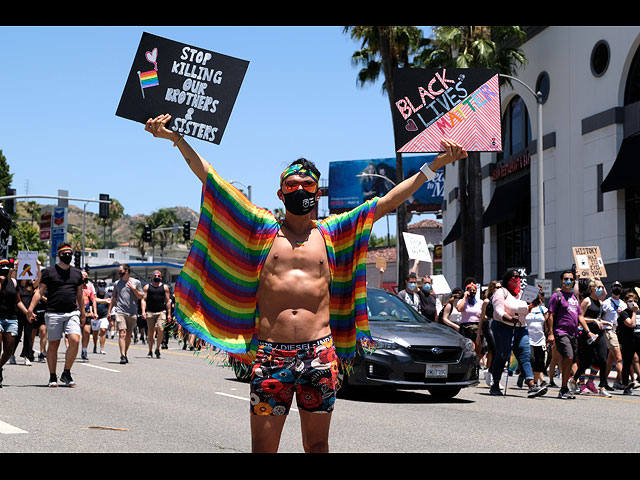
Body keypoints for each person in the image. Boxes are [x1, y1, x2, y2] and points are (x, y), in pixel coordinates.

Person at [144, 113, 467, 453]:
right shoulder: (261, 229)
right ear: (281, 194)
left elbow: (388, 201)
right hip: (271, 354)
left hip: (319, 355)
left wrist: (435, 164)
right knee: (263, 447)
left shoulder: (334, 232)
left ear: (317, 190)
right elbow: (211, 178)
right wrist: (176, 139)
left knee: (317, 445)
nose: (300, 190)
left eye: (307, 185)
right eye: (292, 186)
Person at [27, 243, 85, 388]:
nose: (68, 256)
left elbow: (80, 295)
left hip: (72, 312)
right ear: (58, 255)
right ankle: (52, 375)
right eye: (64, 253)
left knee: (75, 340)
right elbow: (39, 292)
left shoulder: (77, 273)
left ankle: (66, 372)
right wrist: (30, 309)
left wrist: (83, 313)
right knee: (53, 344)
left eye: (70, 253)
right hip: (53, 312)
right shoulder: (49, 272)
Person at [489, 269, 547, 398]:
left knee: (525, 354)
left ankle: (531, 385)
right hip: (503, 326)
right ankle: (495, 384)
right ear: (507, 279)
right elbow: (498, 311)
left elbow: (527, 309)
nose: (517, 279)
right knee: (502, 355)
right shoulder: (501, 292)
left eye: (519, 277)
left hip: (521, 327)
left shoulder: (522, 294)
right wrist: (509, 318)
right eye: (514, 277)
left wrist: (534, 302)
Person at [546, 270, 596, 399]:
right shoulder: (556, 296)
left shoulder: (574, 298)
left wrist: (588, 331)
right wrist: (551, 333)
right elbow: (550, 315)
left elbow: (580, 316)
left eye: (571, 279)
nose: (569, 281)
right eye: (566, 279)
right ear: (562, 281)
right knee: (568, 357)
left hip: (574, 334)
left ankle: (564, 388)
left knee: (572, 359)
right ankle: (563, 388)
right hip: (560, 332)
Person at [572, 278, 611, 397]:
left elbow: (605, 293)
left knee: (603, 359)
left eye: (601, 287)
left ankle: (602, 387)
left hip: (599, 333)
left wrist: (605, 322)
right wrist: (593, 321)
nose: (601, 289)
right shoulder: (587, 301)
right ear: (592, 289)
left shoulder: (600, 302)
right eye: (598, 287)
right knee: (586, 361)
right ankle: (574, 381)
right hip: (587, 333)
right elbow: (580, 317)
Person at [108, 264, 144, 364]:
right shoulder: (116, 283)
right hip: (120, 311)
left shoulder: (136, 282)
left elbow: (141, 296)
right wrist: (109, 311)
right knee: (122, 333)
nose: (119, 274)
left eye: (121, 272)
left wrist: (133, 288)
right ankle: (122, 356)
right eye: (119, 272)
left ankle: (125, 353)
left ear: (127, 271)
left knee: (128, 335)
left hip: (132, 312)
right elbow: (114, 298)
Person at [141, 270, 171, 358]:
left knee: (161, 329)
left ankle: (157, 348)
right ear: (152, 277)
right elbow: (143, 300)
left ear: (161, 278)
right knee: (150, 332)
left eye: (158, 276)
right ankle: (150, 350)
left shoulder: (165, 287)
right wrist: (143, 311)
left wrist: (169, 314)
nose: (157, 277)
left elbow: (168, 301)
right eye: (155, 276)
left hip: (161, 312)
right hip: (150, 312)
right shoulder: (147, 287)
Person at [601, 280, 625, 389]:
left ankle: (603, 382)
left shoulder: (623, 304)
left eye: (618, 287)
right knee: (619, 358)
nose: (617, 288)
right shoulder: (606, 302)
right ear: (611, 289)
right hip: (609, 331)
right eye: (615, 286)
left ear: (622, 289)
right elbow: (601, 318)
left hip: (619, 333)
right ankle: (624, 383)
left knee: (610, 360)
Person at [617, 291, 640, 395]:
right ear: (626, 302)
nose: (633, 303)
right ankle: (626, 386)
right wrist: (634, 312)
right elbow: (631, 324)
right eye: (630, 301)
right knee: (627, 363)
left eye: (635, 301)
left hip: (638, 340)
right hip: (628, 341)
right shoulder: (623, 313)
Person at [0, 259, 19, 387]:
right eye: (2, 266)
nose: (5, 268)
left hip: (12, 318)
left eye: (7, 266)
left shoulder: (13, 282)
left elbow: (18, 301)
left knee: (9, 349)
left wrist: (28, 312)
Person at [477, 281, 500, 386]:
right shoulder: (487, 301)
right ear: (492, 288)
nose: (499, 289)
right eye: (496, 287)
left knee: (496, 352)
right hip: (489, 326)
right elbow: (482, 318)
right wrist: (478, 335)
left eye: (500, 287)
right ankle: (493, 375)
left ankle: (491, 372)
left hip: (499, 326)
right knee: (495, 351)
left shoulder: (502, 301)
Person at [524, 291, 549, 388]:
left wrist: (550, 333)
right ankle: (527, 377)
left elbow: (548, 321)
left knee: (540, 361)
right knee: (531, 359)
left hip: (540, 339)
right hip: (528, 338)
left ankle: (534, 382)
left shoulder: (542, 309)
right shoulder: (526, 309)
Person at [456, 279, 482, 356]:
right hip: (465, 326)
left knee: (477, 346)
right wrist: (465, 297)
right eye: (470, 290)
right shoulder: (462, 301)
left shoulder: (480, 302)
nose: (472, 292)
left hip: (476, 326)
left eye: (474, 290)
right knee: (466, 347)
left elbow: (484, 314)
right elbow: (459, 309)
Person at [80, 270, 97, 361]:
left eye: (86, 276)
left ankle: (84, 351)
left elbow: (93, 300)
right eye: (83, 276)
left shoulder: (89, 287)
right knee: (74, 335)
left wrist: (94, 312)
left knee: (86, 332)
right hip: (76, 313)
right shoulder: (75, 286)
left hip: (87, 313)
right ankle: (70, 350)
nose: (85, 278)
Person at [92, 279, 110, 354]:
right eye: (100, 286)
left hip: (104, 316)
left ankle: (102, 348)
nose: (102, 287)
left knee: (103, 330)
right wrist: (95, 312)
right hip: (96, 317)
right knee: (95, 332)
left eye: (103, 285)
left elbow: (110, 304)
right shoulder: (95, 294)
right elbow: (94, 302)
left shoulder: (107, 295)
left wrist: (109, 313)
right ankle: (95, 345)